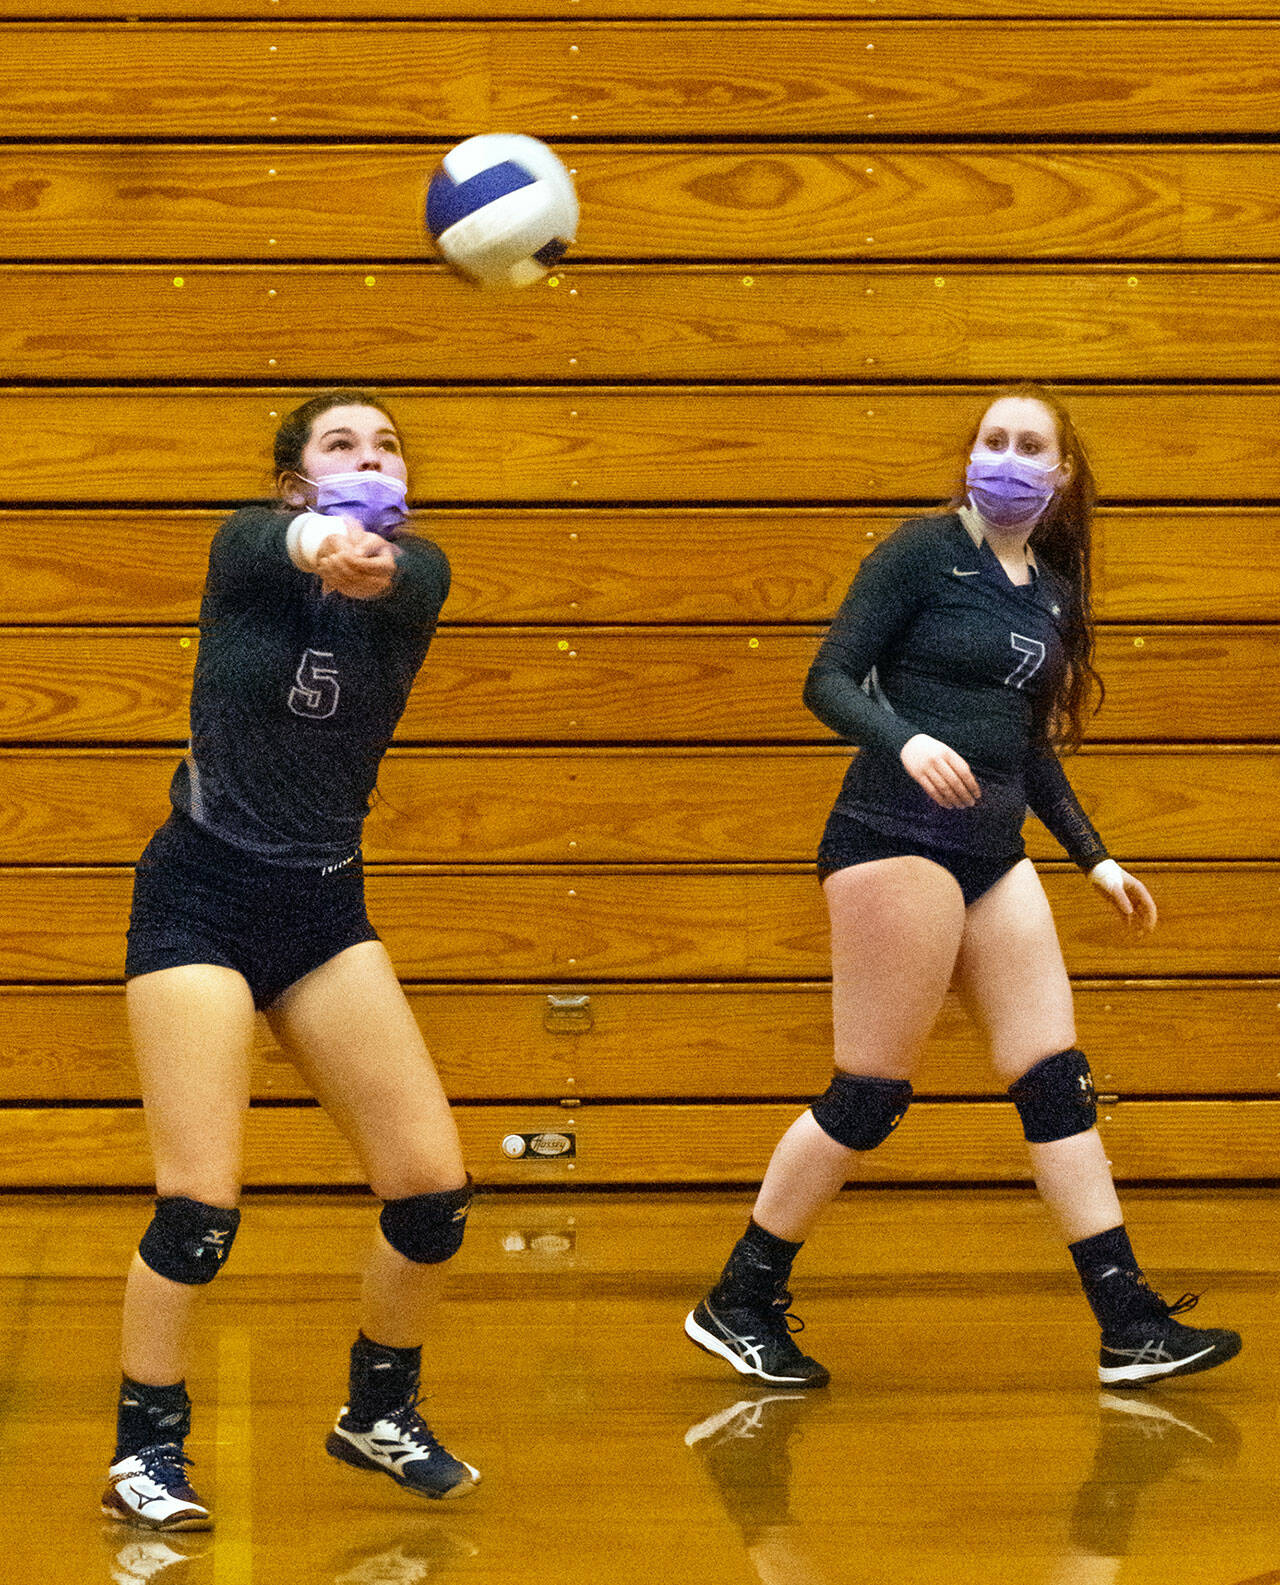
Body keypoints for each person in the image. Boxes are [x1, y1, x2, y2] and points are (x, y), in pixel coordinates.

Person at [684, 385, 1241, 1392]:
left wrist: (1095, 857)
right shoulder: (918, 553)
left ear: (1059, 473)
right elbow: (826, 680)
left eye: (1029, 444)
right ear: (971, 454)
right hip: (892, 838)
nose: (1007, 457)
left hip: (992, 852)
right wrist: (906, 740)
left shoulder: (1050, 592)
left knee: (1054, 1079)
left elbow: (1028, 747)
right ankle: (740, 1296)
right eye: (993, 439)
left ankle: (1128, 1324)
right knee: (869, 1095)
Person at [102, 391, 479, 1531]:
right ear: (292, 480)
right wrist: (318, 539)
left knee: (432, 1194)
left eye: (387, 447)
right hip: (199, 899)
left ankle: (379, 1411)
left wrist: (364, 554)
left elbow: (386, 571)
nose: (370, 460)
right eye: (341, 445)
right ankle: (145, 1448)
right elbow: (296, 547)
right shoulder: (248, 549)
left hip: (320, 908)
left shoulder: (421, 574)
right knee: (200, 1209)